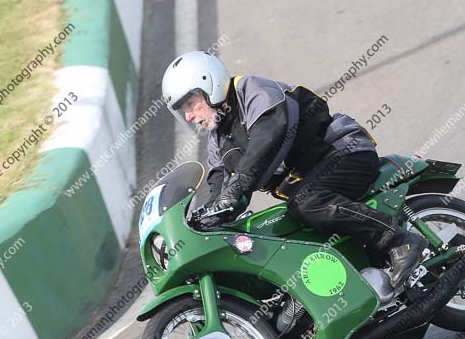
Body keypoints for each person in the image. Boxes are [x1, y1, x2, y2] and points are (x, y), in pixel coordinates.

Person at [160, 51, 427, 290]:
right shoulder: (217, 140)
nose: (189, 116)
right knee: (279, 231)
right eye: (183, 110)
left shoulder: (251, 90)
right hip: (309, 185)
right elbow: (217, 182)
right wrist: (201, 221)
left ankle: (399, 240)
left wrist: (237, 187)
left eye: (191, 104)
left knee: (308, 204)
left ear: (210, 84)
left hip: (344, 153)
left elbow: (268, 135)